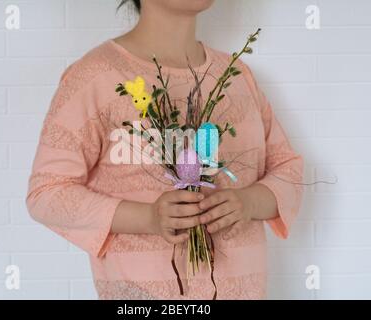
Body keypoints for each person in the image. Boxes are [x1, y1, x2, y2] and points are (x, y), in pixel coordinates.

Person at [25, 0, 304, 299]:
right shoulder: (95, 76)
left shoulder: (235, 75)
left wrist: (248, 203)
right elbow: (47, 193)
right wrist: (148, 218)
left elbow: (288, 170)